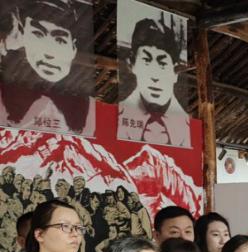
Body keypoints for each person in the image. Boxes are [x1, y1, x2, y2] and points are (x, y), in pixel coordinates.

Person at [0, 0, 95, 135]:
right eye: (37, 34)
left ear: (73, 47)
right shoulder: (15, 78)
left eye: (60, 40)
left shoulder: (81, 89)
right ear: (23, 36)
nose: (48, 54)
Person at [118, 18, 189, 147]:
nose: (155, 77)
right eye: (146, 61)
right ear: (132, 65)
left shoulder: (188, 125)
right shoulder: (117, 116)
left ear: (175, 72)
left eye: (163, 64)